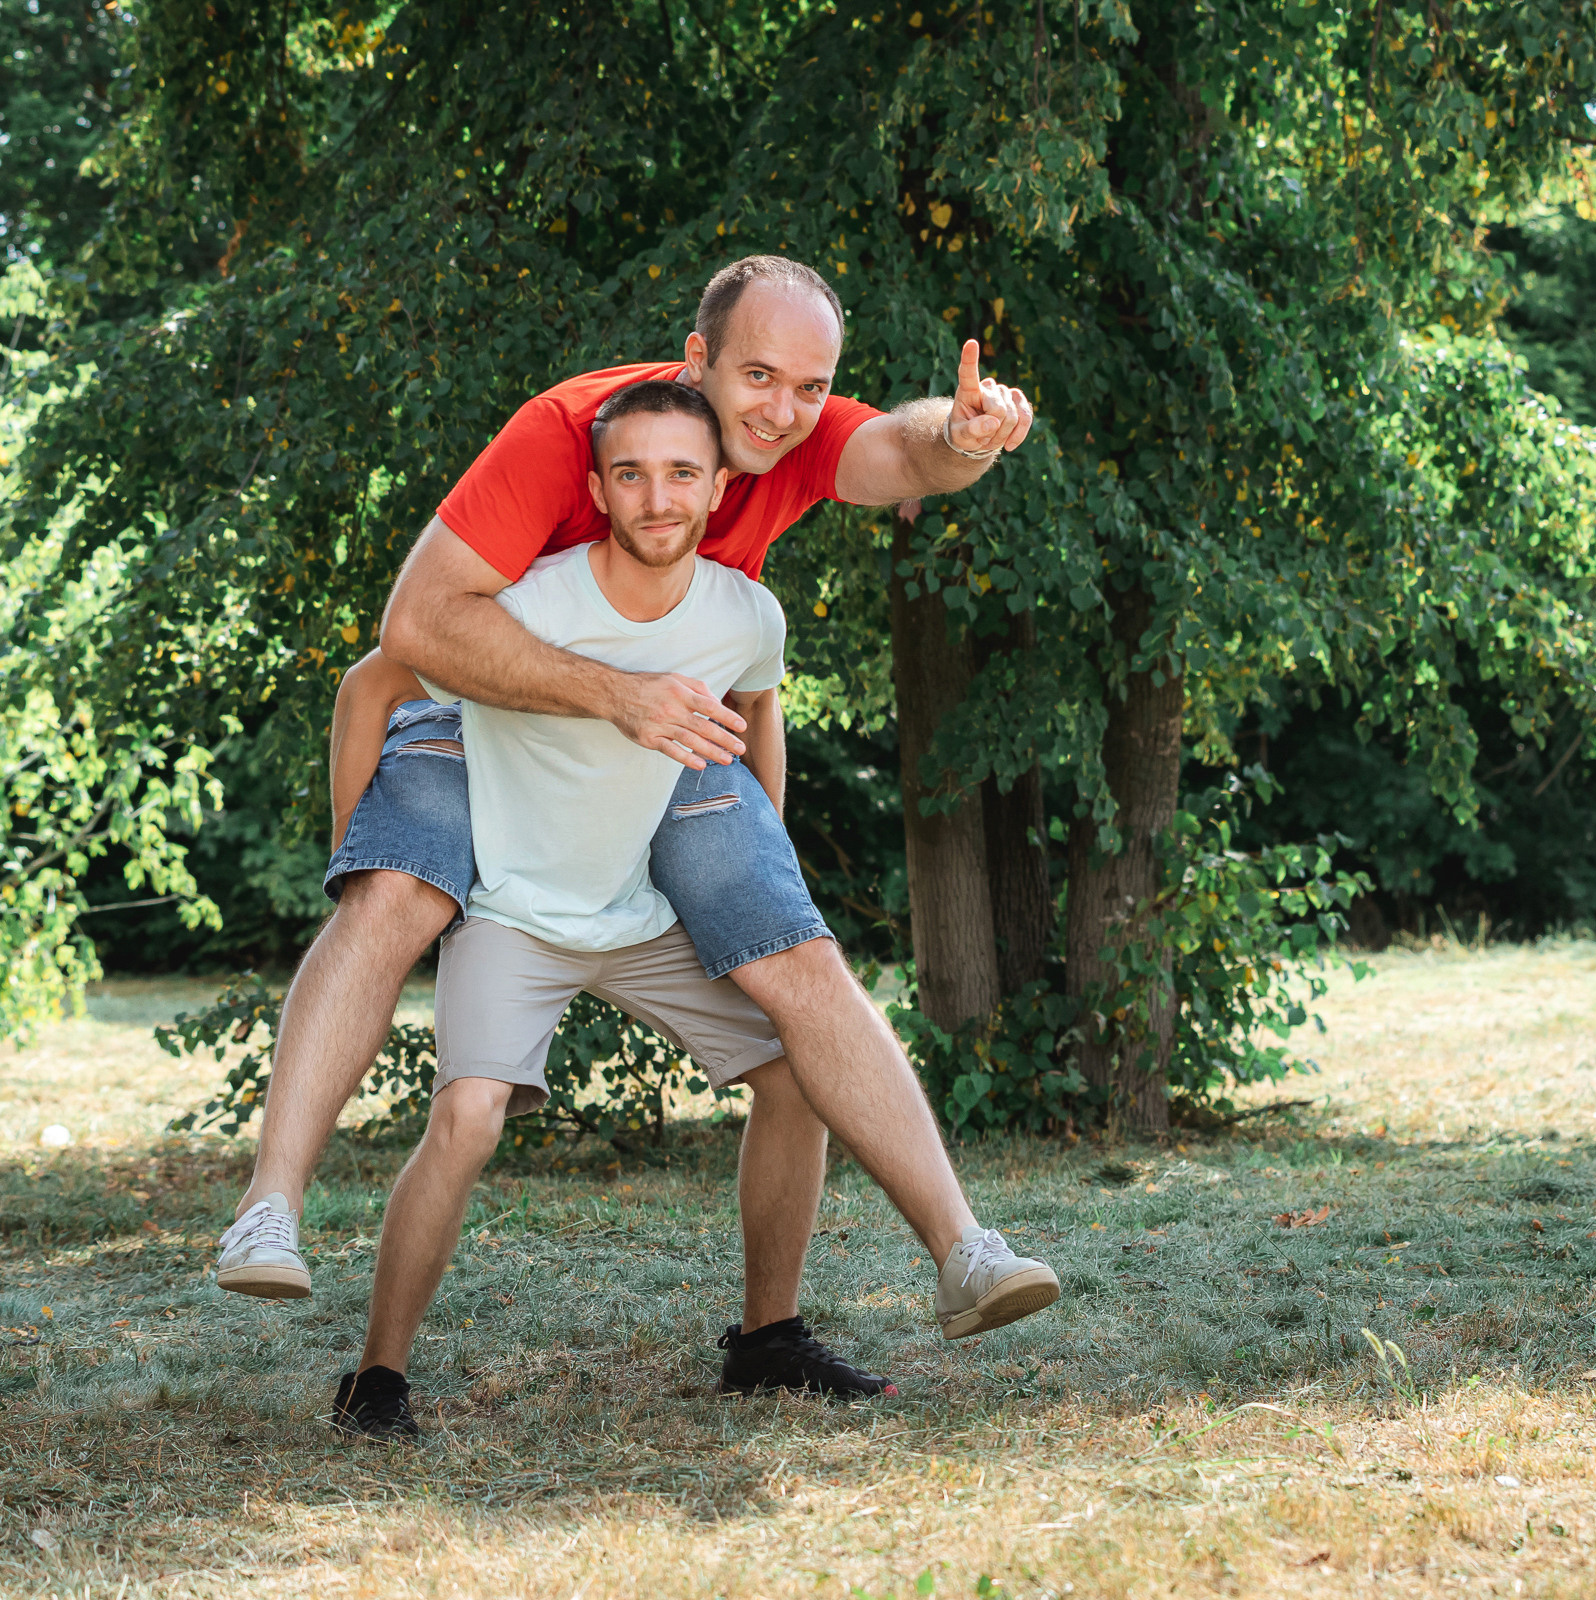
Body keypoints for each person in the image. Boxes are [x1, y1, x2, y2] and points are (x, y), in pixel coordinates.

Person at [214, 255, 1044, 1346]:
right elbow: (411, 631)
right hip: (493, 722)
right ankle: (269, 1206)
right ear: (696, 357)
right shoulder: (566, 433)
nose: (786, 412)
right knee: (394, 899)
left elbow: (899, 449)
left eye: (810, 386)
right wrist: (617, 699)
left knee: (797, 955)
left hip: (671, 746)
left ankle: (959, 1252)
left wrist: (964, 439)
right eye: (759, 376)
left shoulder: (779, 440)